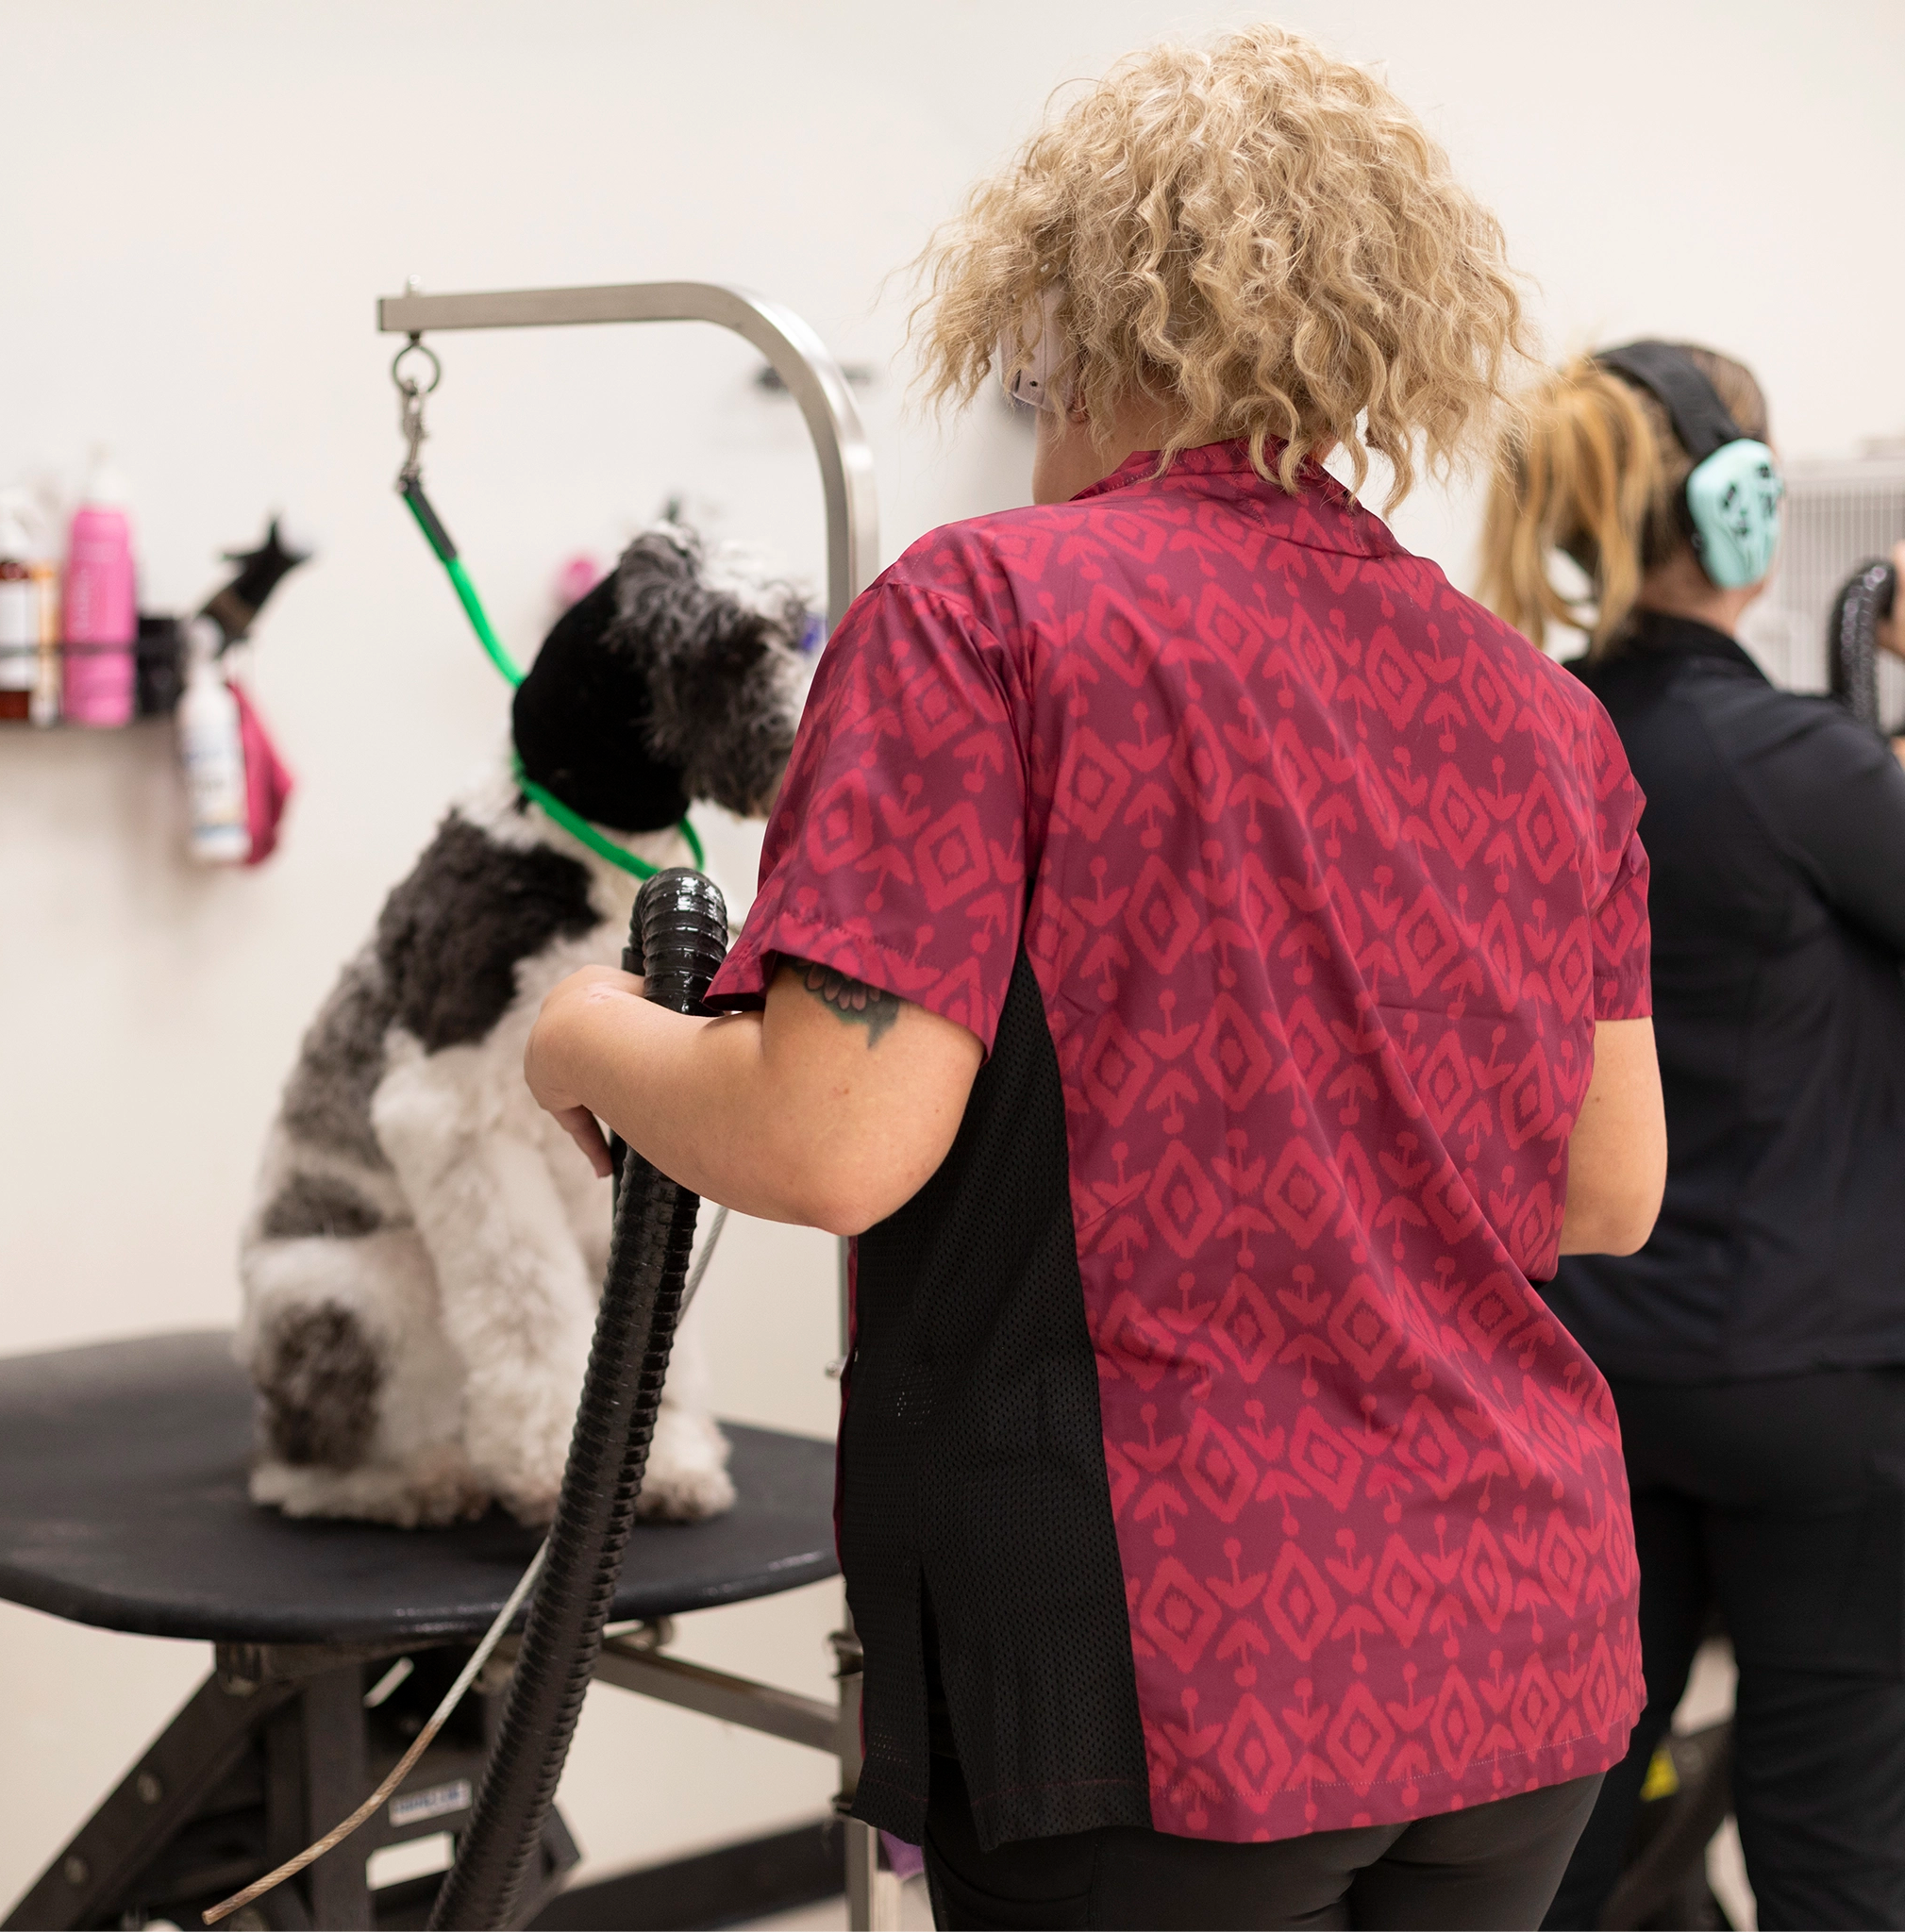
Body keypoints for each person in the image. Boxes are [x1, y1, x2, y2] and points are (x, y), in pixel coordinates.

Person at [526, 28, 1666, 1931]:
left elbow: (829, 1136)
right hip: (1516, 1648)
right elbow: (1603, 1193)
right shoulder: (1543, 717)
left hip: (1177, 1668)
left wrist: (586, 1035)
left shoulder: (988, 615)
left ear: (1065, 317)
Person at [1482, 344, 1905, 1931]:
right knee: (1833, 1841)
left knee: (1570, 1821)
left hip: (1600, 1368)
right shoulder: (1803, 765)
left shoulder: (1529, 735)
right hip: (1811, 1386)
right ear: (1745, 512)